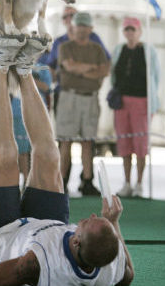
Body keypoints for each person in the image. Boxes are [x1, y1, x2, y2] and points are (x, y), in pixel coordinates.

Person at [0, 35, 134, 286]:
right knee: (50, 154)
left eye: (87, 223)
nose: (89, 215)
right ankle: (25, 70)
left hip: (6, 238)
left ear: (76, 240)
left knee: (6, 157)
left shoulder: (37, 265)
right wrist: (113, 222)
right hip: (47, 227)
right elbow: (127, 277)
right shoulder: (107, 267)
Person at [57, 12, 110, 195]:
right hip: (69, 97)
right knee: (66, 140)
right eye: (78, 25)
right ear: (73, 27)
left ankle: (87, 181)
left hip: (91, 97)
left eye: (84, 26)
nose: (80, 29)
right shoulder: (65, 47)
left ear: (90, 29)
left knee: (88, 140)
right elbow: (69, 66)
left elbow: (103, 71)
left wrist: (80, 69)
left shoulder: (97, 49)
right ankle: (61, 181)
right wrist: (91, 68)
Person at [111, 17, 160, 198]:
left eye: (133, 29)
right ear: (124, 32)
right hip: (121, 102)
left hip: (142, 102)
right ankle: (126, 183)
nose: (130, 33)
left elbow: (155, 77)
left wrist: (153, 101)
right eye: (127, 29)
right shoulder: (119, 50)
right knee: (124, 143)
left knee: (140, 144)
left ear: (139, 32)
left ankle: (139, 183)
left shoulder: (149, 51)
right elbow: (114, 75)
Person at [11, 63, 52, 185]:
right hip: (17, 111)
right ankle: (25, 180)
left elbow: (46, 87)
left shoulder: (43, 67)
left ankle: (38, 180)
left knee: (39, 149)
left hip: (39, 112)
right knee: (22, 150)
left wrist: (26, 76)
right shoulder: (12, 65)